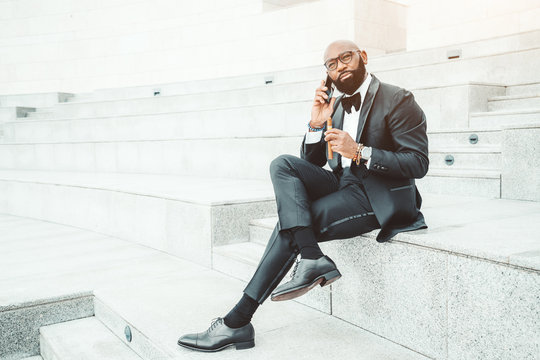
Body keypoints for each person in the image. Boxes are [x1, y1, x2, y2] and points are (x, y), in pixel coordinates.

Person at [177, 39, 429, 352]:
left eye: (346, 58)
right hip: (343, 182)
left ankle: (238, 320)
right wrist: (315, 123)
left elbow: (418, 163)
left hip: (378, 194)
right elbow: (311, 164)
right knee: (282, 164)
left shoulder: (398, 99)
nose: (340, 67)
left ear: (363, 57)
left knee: (293, 225)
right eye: (331, 64)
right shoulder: (334, 106)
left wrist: (361, 151)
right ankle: (310, 257)